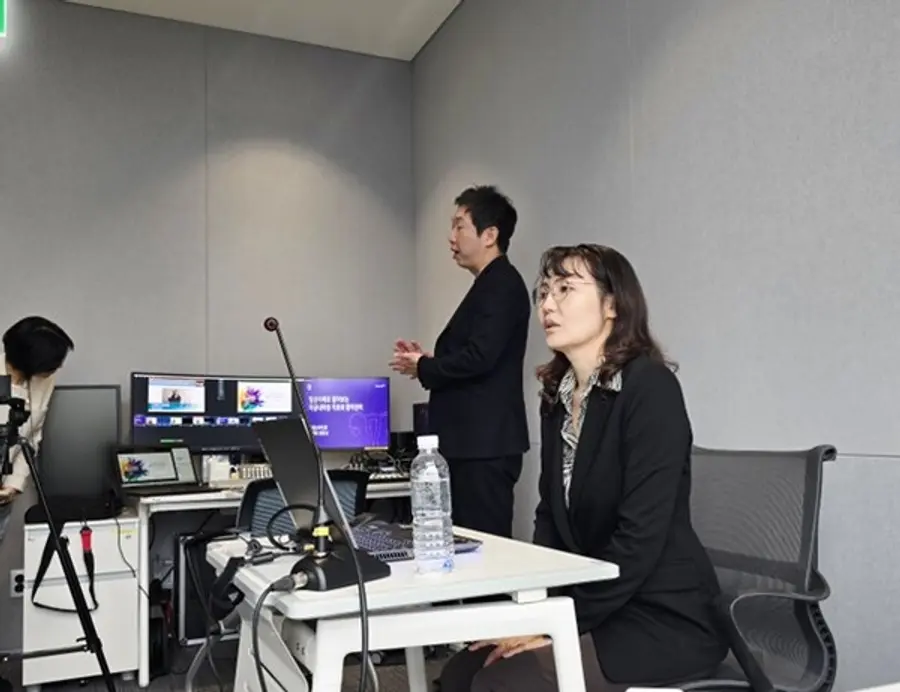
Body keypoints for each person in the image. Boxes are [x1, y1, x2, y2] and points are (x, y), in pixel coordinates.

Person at [438, 244, 727, 692]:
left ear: (612, 304)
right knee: (461, 671)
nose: (547, 304)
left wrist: (558, 622)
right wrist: (536, 611)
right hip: (598, 603)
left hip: (661, 616)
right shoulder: (558, 395)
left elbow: (639, 539)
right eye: (543, 293)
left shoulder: (650, 388)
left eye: (565, 289)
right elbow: (550, 520)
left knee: (503, 681)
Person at [390, 185, 530, 538]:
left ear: (490, 235)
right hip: (472, 442)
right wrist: (427, 360)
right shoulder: (489, 283)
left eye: (459, 226)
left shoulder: (502, 284)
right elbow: (478, 354)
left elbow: (480, 358)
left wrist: (424, 367)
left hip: (483, 445)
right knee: (466, 543)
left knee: (485, 544)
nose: (451, 237)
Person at [0, 316, 74, 542]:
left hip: (3, 495)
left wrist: (14, 485)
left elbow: (31, 437)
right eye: (54, 361)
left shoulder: (45, 381)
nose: (59, 366)